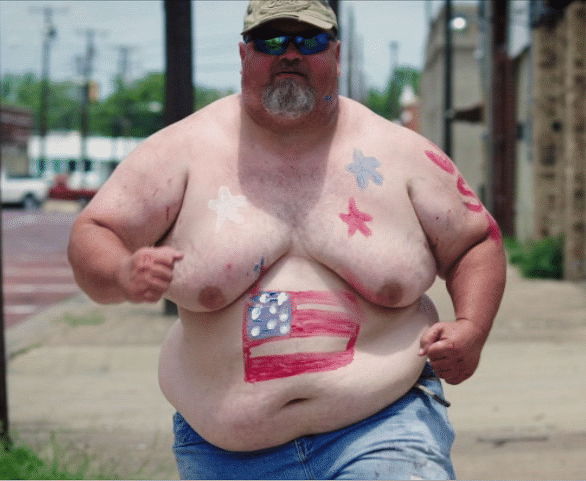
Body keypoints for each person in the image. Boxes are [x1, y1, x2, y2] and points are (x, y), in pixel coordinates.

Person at [68, 0, 506, 478]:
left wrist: (472, 328)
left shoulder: (401, 154)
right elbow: (97, 232)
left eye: (310, 41)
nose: (290, 53)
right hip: (226, 451)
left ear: (335, 54)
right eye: (271, 41)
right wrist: (120, 273)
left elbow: (475, 241)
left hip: (385, 425)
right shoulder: (180, 153)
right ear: (243, 56)